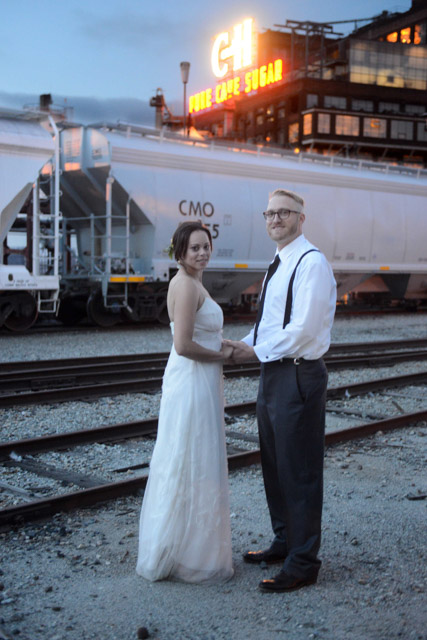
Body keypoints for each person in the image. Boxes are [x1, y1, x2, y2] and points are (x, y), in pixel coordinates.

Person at [225, 188, 336, 593]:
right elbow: (270, 325)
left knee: (300, 469)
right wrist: (240, 344)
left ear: (301, 218)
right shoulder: (277, 262)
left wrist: (253, 351)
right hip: (273, 372)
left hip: (298, 373)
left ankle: (303, 562)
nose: (275, 219)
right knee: (274, 463)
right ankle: (285, 541)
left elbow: (303, 329)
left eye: (284, 213)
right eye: (269, 213)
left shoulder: (311, 263)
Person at [136, 220, 234, 583]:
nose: (203, 252)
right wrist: (223, 357)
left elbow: (202, 337)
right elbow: (183, 345)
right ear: (180, 252)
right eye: (195, 247)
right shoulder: (186, 285)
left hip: (198, 379)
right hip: (192, 380)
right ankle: (188, 553)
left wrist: (225, 347)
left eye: (206, 245)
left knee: (192, 456)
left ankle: (187, 546)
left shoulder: (193, 282)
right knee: (191, 457)